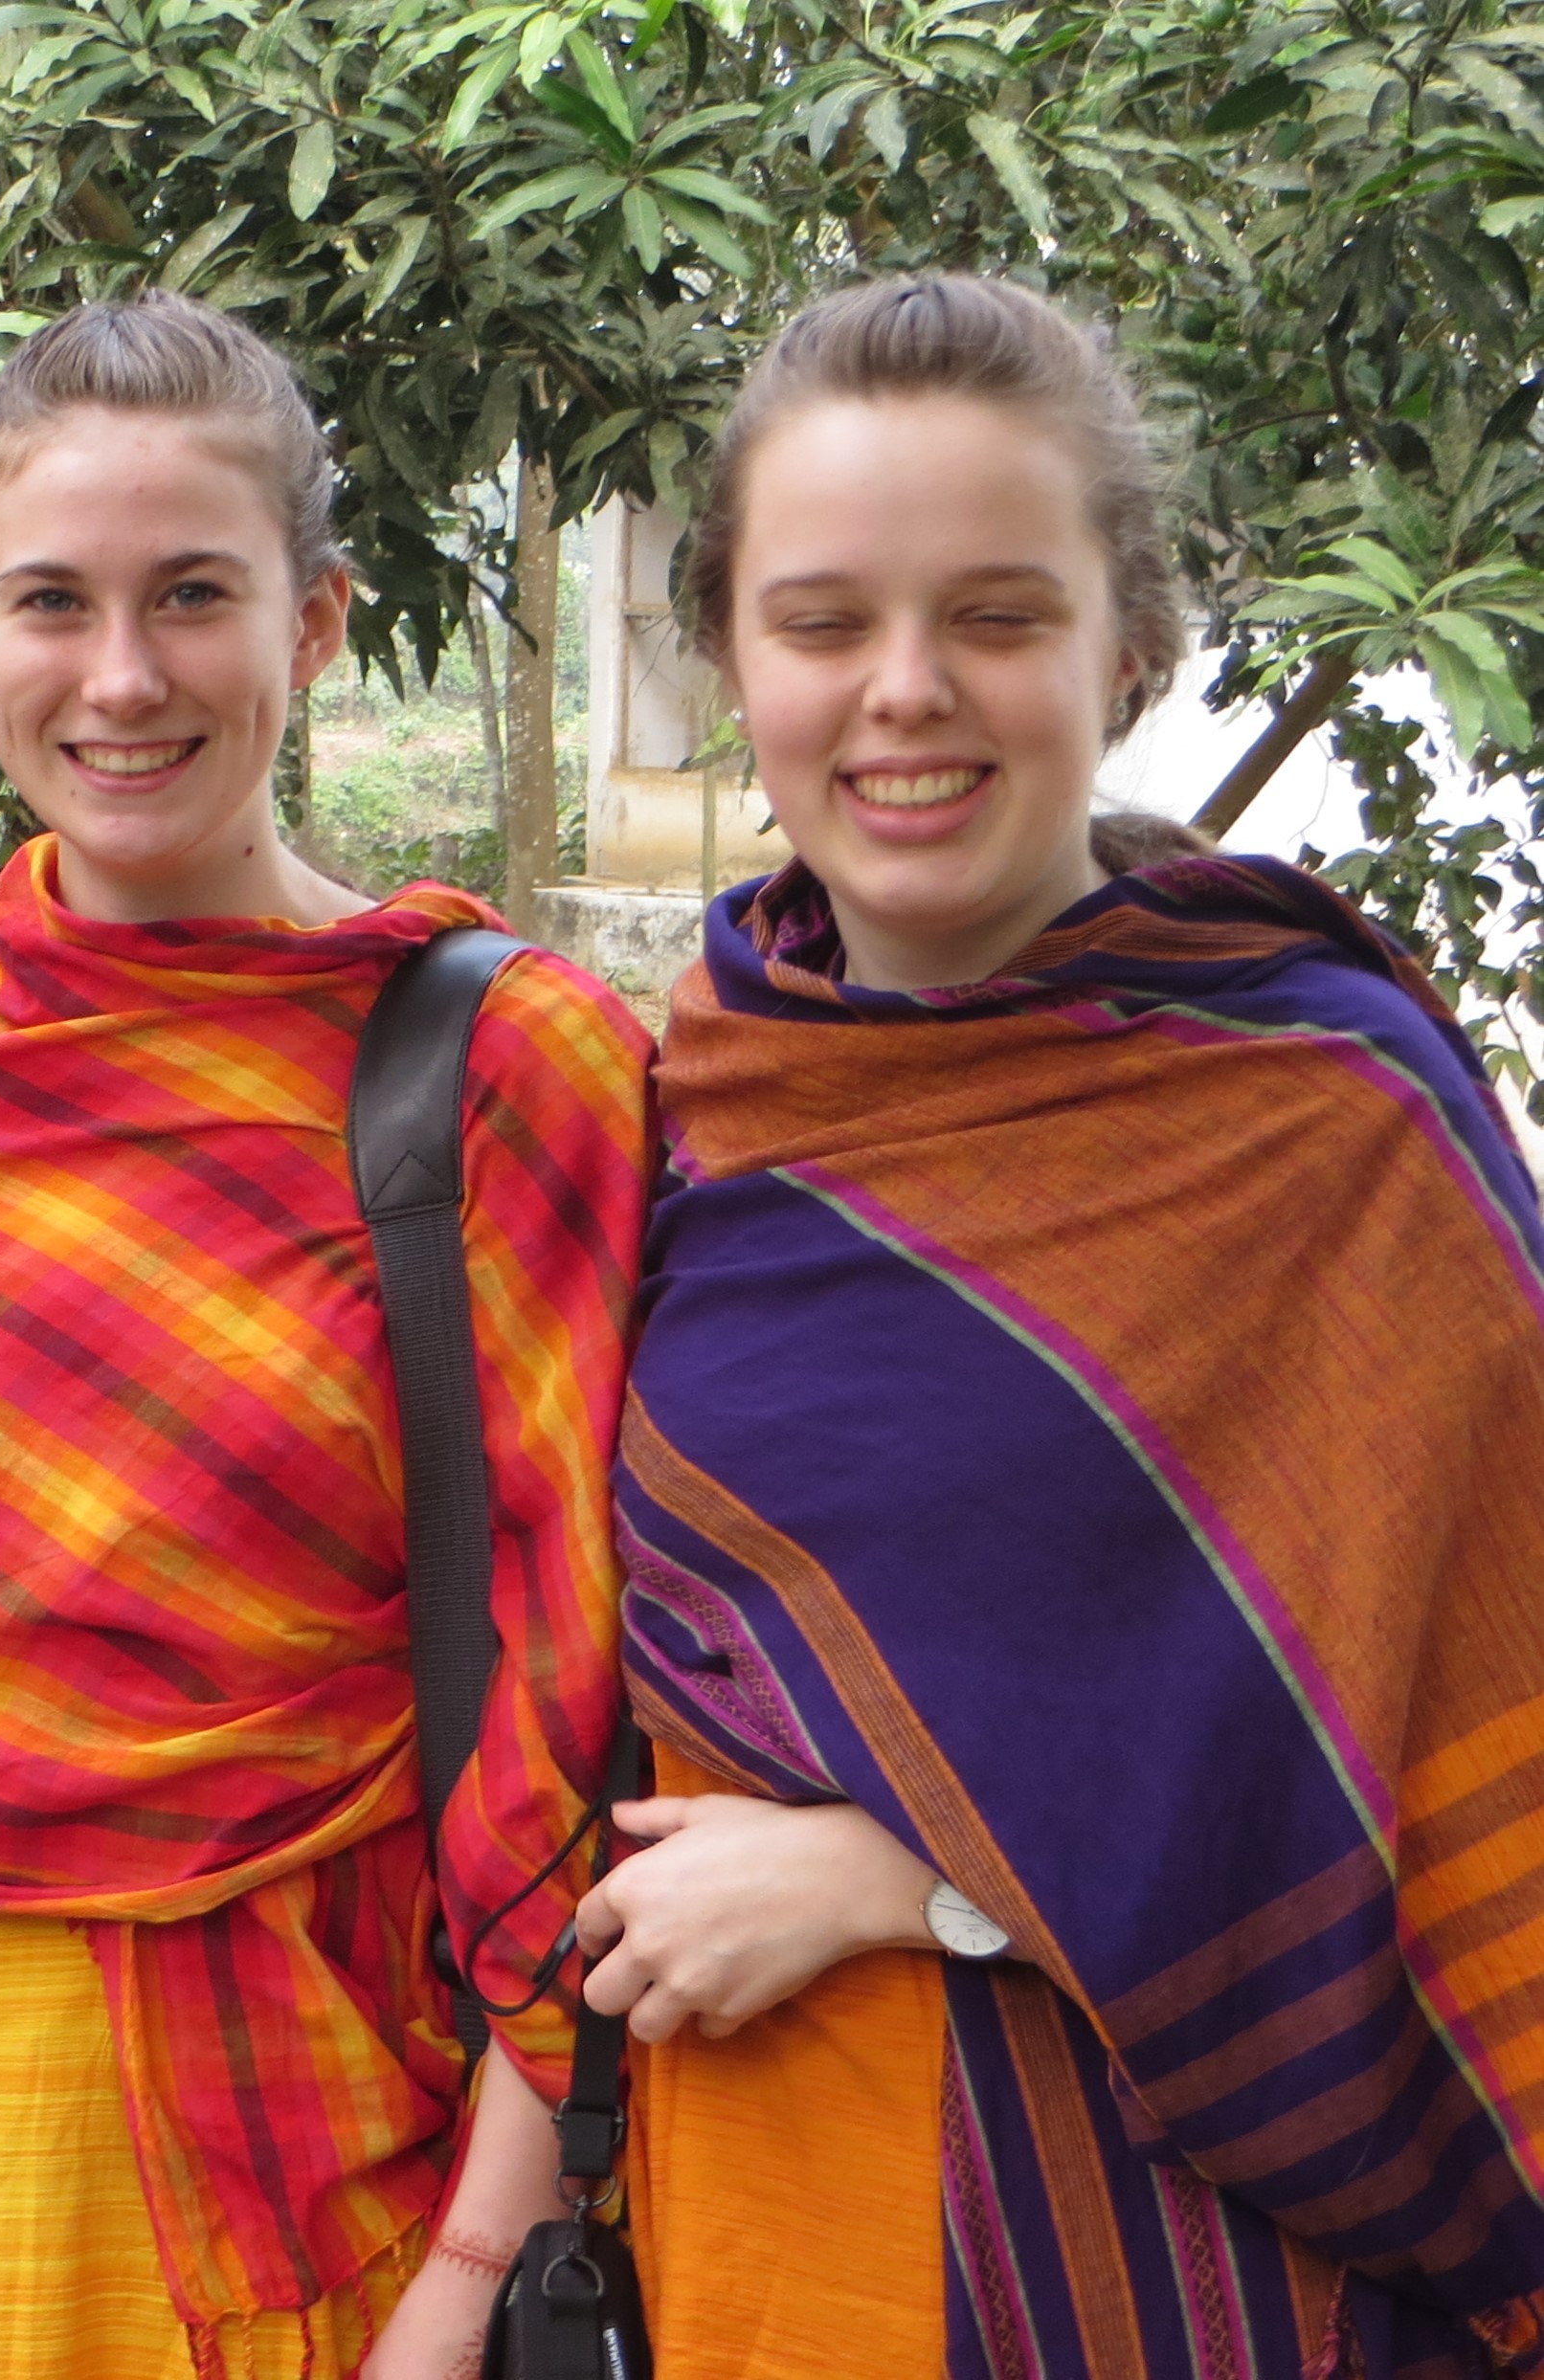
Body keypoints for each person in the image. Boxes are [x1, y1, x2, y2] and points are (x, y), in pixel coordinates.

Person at [0, 292, 654, 2380]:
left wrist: (473, 2276)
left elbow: (566, 1719)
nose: (121, 677)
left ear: (315, 620)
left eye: (193, 593)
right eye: (52, 601)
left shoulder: (501, 1067)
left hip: (328, 2182)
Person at [571, 271, 1544, 2377]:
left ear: (1130, 644)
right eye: (823, 622)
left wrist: (911, 1881)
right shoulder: (688, 1094)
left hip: (1207, 2261)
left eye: (997, 616)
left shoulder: (1331, 1119)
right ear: (731, 654)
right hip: (760, 2229)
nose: (905, 689)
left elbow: (1467, 1773)